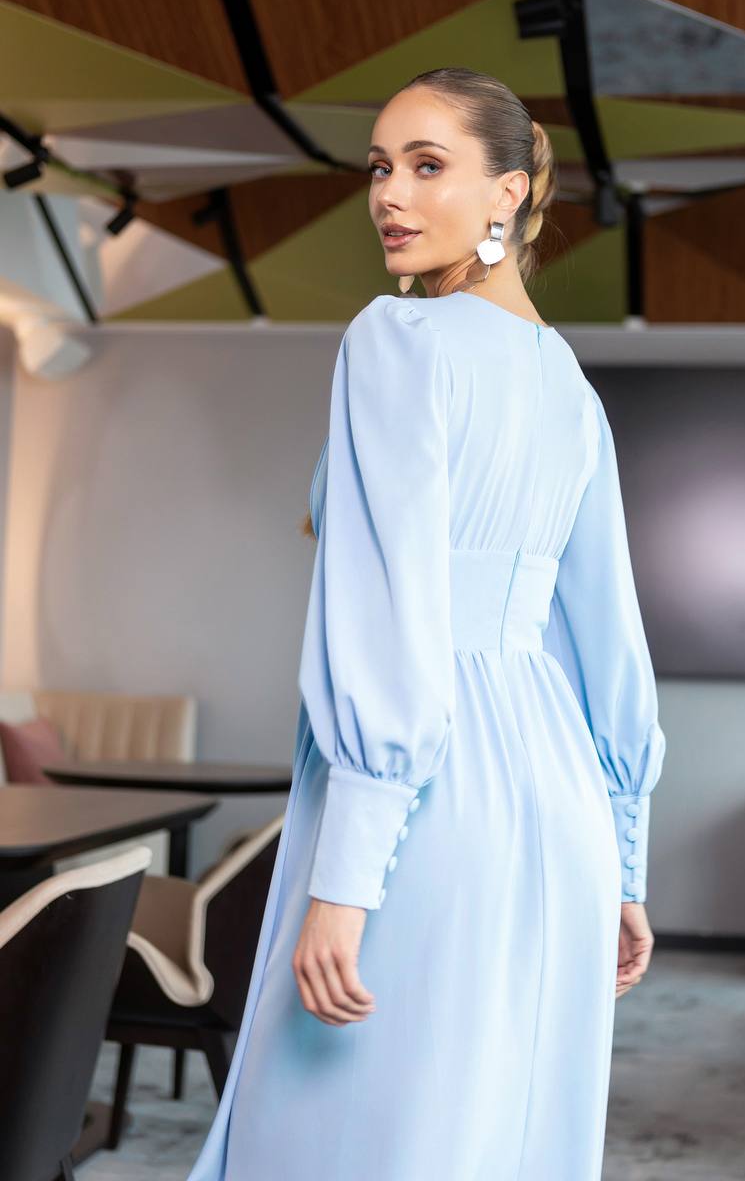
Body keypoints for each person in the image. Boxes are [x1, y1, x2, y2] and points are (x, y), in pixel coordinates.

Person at [186, 66, 666, 1181]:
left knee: (344, 1133)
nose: (389, 194)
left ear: (507, 194)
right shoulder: (570, 387)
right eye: (379, 167)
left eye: (428, 164)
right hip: (559, 802)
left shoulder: (395, 344)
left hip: (427, 796)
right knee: (496, 1132)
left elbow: (390, 618)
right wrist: (627, 862)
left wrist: (345, 879)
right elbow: (608, 638)